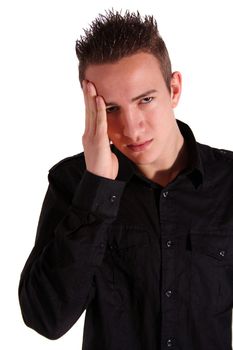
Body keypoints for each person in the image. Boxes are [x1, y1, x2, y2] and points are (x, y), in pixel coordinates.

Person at [18, 9, 233, 350]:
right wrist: (97, 190)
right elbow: (46, 318)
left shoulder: (227, 180)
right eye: (111, 109)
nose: (132, 129)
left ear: (174, 89)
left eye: (145, 100)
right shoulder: (74, 183)